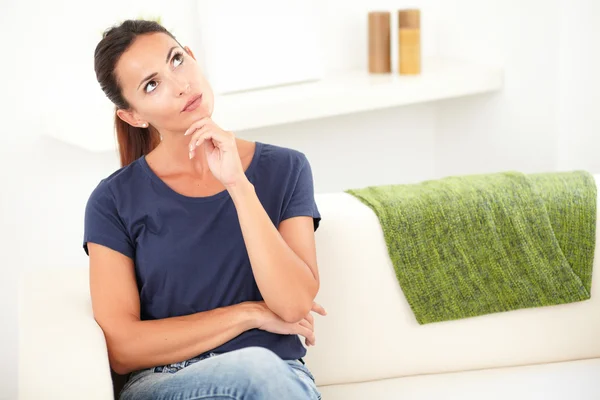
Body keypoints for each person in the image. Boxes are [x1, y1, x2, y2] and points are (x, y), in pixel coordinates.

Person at [85, 19, 325, 400]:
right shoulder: (113, 201)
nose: (181, 85)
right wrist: (248, 315)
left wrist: (238, 186)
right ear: (133, 115)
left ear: (193, 58)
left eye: (177, 60)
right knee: (257, 368)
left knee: (262, 371)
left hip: (277, 377)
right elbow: (123, 347)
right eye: (152, 84)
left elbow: (294, 303)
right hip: (167, 382)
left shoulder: (286, 169)